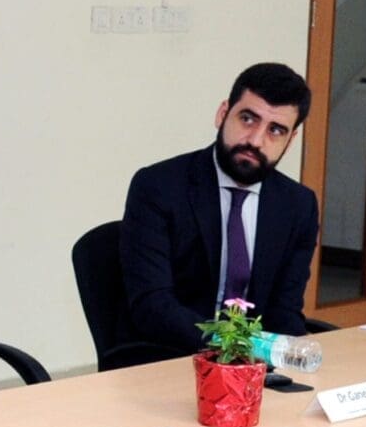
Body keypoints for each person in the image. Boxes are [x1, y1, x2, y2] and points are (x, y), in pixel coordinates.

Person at [120, 62, 321, 361]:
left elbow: (284, 310)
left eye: (275, 130)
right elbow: (153, 305)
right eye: (248, 119)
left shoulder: (298, 205)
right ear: (222, 114)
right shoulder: (158, 186)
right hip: (170, 357)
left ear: (290, 141)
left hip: (252, 367)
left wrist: (289, 359)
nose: (255, 140)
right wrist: (235, 347)